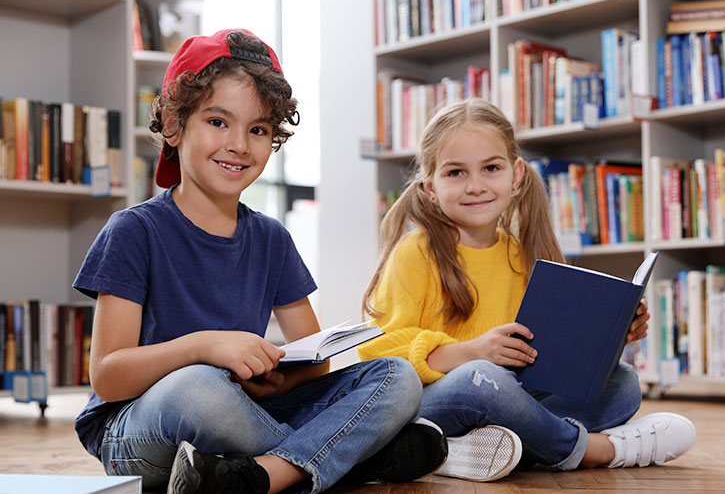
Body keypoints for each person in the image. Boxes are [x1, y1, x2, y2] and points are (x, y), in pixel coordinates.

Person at [72, 28, 447, 494]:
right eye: (217, 121)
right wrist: (204, 346)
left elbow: (314, 358)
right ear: (172, 122)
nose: (239, 145)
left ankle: (263, 476)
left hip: (247, 413)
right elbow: (109, 377)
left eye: (258, 130)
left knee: (397, 374)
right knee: (199, 387)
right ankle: (350, 460)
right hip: (143, 426)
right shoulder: (133, 230)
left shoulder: (271, 238)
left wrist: (284, 378)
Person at [357, 98, 696, 482]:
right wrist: (469, 351)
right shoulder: (415, 252)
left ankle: (469, 450)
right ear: (430, 187)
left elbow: (548, 358)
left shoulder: (525, 255)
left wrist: (613, 335)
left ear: (516, 175)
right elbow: (377, 353)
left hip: (512, 398)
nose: (476, 186)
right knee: (482, 379)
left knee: (624, 383)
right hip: (438, 402)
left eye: (491, 168)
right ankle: (594, 450)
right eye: (456, 173)